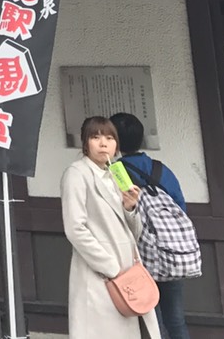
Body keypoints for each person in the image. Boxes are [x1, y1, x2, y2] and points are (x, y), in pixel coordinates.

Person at [61, 115, 160, 339]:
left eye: (109, 138)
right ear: (85, 143)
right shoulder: (77, 174)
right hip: (99, 272)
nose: (103, 143)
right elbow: (75, 228)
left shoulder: (115, 173)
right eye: (95, 137)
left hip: (128, 270)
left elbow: (134, 232)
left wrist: (130, 207)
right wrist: (110, 267)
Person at [112, 112, 190, 339]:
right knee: (176, 318)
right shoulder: (161, 169)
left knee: (149, 318)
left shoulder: (115, 173)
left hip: (137, 255)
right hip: (170, 250)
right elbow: (180, 207)